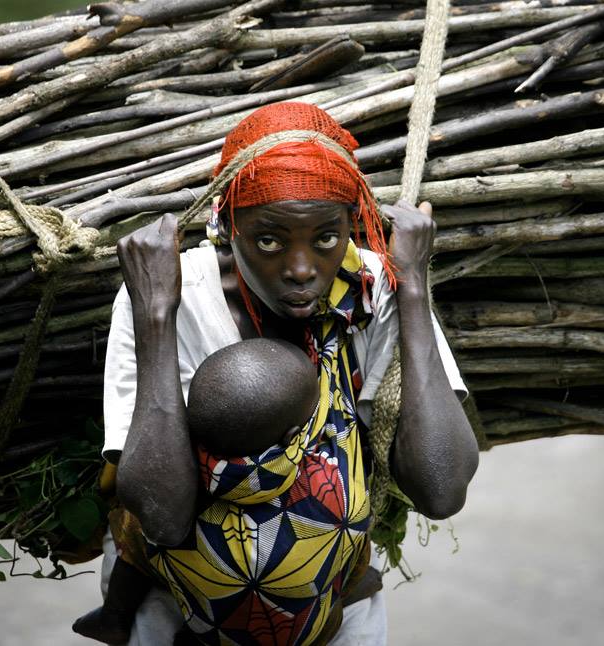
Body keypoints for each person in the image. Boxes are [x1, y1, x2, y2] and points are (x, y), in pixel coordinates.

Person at [99, 102, 479, 645]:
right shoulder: (176, 294)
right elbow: (161, 517)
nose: (301, 271)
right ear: (225, 225)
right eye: (270, 241)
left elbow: (441, 492)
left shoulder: (371, 285)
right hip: (174, 613)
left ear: (353, 223)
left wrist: (413, 286)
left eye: (326, 238)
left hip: (336, 610)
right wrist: (156, 318)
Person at [74, 338, 322, 644]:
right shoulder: (322, 489)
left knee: (135, 528)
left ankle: (114, 617)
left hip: (207, 626)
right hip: (309, 625)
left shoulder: (184, 492)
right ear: (292, 436)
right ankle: (357, 581)